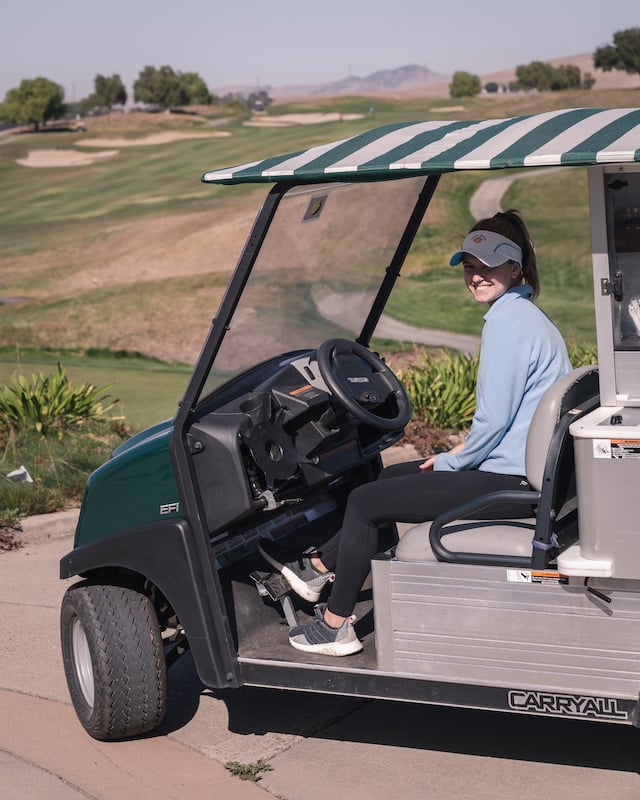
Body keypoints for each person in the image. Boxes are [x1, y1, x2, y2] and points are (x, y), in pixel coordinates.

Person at [259, 209, 572, 657]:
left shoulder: (507, 324)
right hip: (520, 468)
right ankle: (320, 566)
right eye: (470, 266)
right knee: (388, 480)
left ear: (515, 266)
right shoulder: (529, 317)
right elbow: (512, 418)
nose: (476, 276)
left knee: (366, 502)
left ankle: (335, 624)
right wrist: (459, 452)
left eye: (488, 266)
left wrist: (451, 460)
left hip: (511, 481)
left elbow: (494, 419)